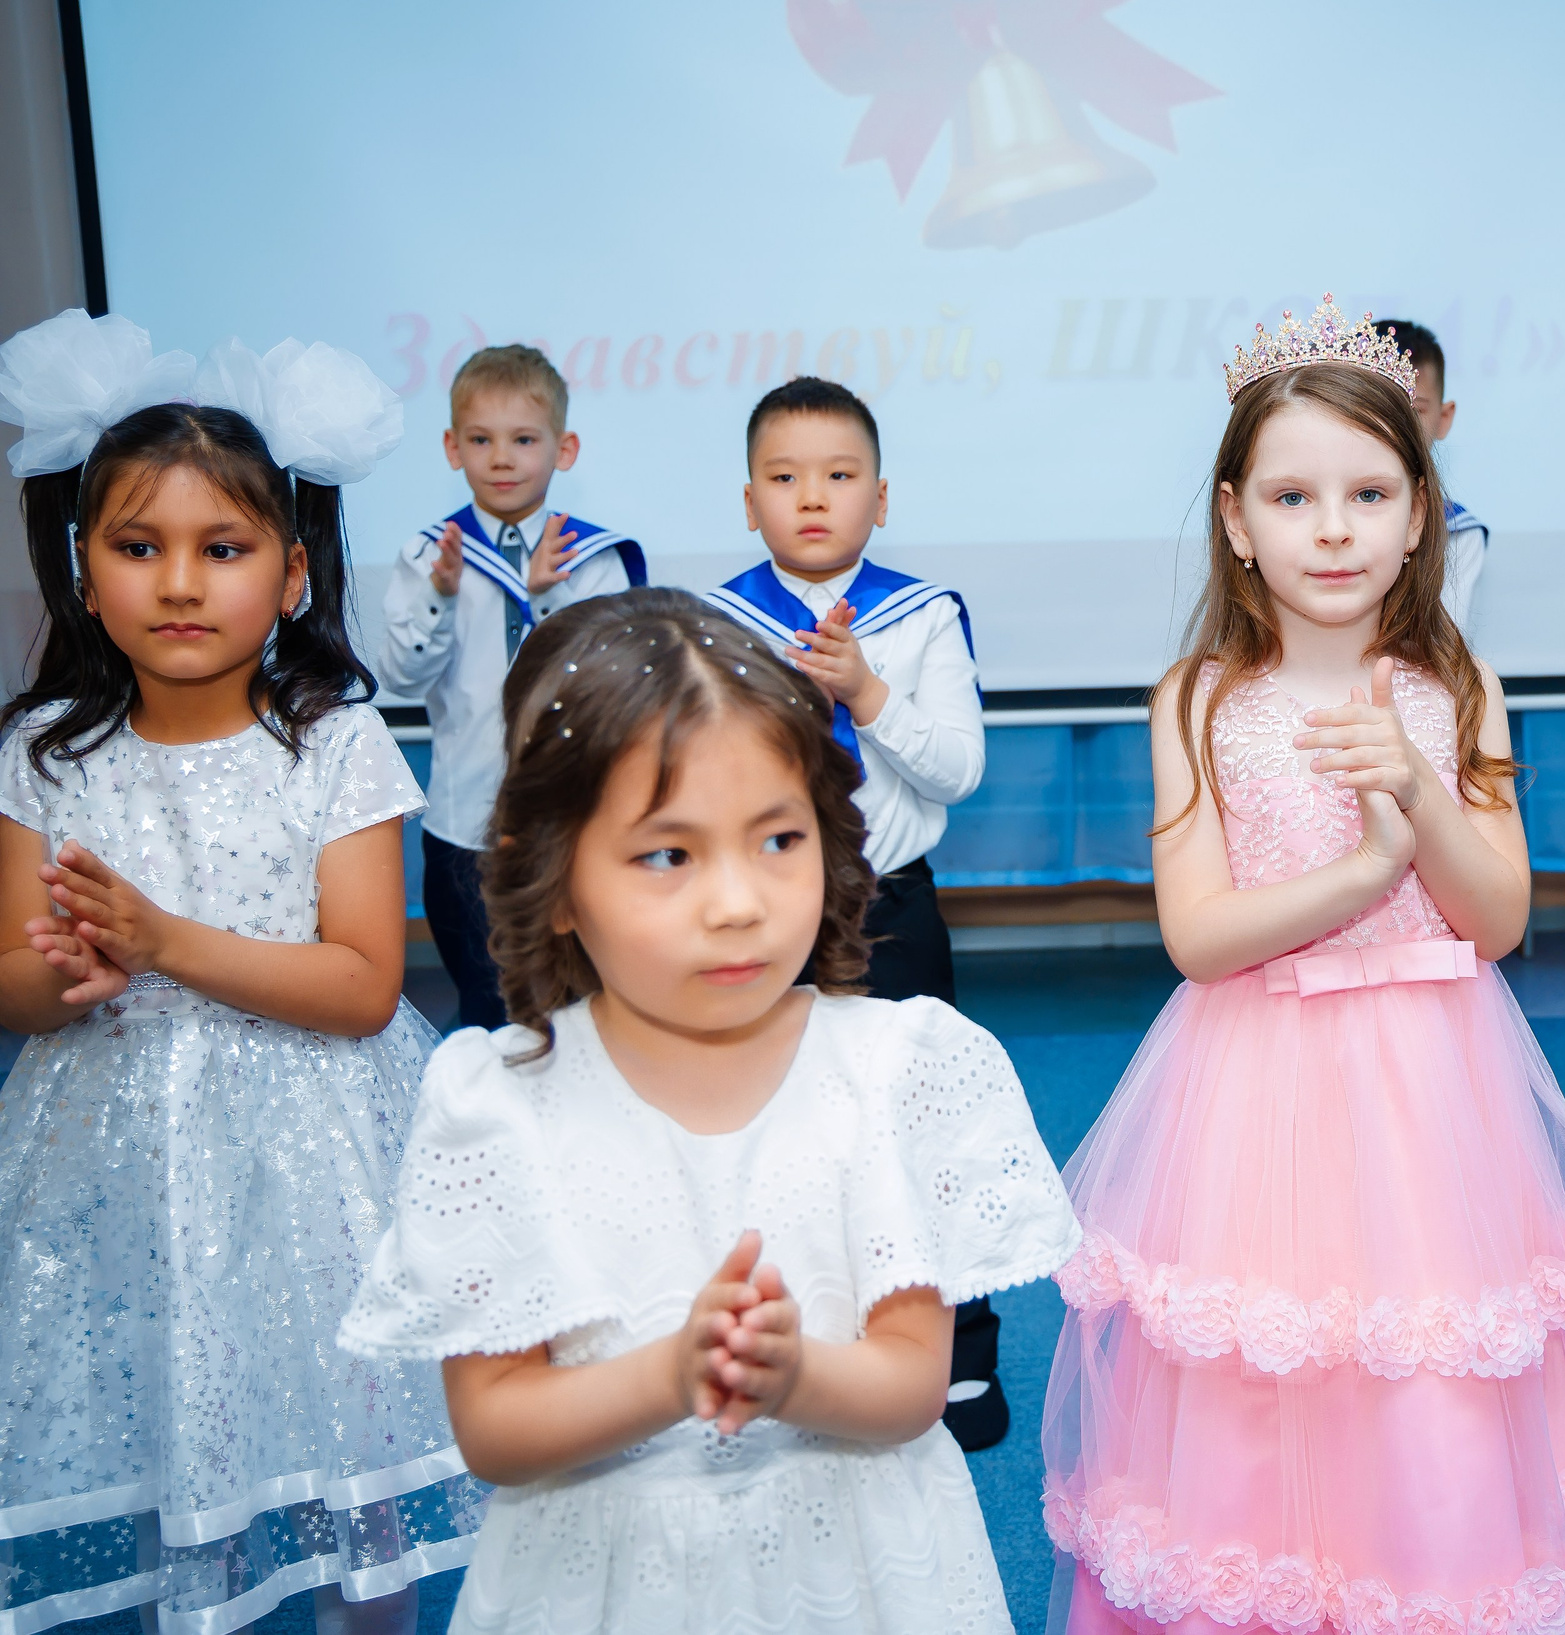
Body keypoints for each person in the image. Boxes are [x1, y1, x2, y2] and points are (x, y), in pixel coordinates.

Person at [1041, 296, 1565, 1633]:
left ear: (1420, 509)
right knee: (1266, 1374)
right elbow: (1199, 934)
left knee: (1430, 1372)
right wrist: (1358, 875)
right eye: (1293, 493)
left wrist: (1420, 799)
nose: (1332, 527)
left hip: (1436, 1089)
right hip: (1255, 1080)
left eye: (1370, 491)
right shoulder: (1198, 697)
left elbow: (1497, 918)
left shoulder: (1461, 686)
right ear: (1234, 517)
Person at [338, 587, 1078, 1634]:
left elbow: (913, 1386)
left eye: (778, 840)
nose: (738, 901)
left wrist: (793, 1374)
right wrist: (670, 1374)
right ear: (551, 878)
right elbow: (495, 1429)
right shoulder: (498, 1106)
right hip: (604, 1580)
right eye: (667, 855)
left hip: (861, 1570)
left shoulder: (894, 1070)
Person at [0, 313, 472, 1634]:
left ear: (294, 572)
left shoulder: (332, 742)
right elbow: (10, 985)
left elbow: (365, 982)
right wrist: (66, 977)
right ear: (83, 571)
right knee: (169, 1409)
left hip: (318, 1148)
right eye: (139, 547)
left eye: (224, 548)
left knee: (349, 1430)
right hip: (117, 1142)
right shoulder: (47, 750)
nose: (182, 581)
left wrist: (161, 941)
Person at [701, 375, 1005, 1448]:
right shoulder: (719, 623)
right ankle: (817, 1352)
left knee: (924, 1135)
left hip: (891, 910)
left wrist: (867, 695)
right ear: (749, 502)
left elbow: (959, 771)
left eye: (839, 476)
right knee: (782, 1135)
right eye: (785, 478)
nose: (813, 497)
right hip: (767, 920)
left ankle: (961, 1354)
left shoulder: (921, 618)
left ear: (883, 496)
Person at [377, 344, 643, 1031]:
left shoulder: (595, 558)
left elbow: (612, 689)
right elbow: (402, 677)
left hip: (573, 822)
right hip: (465, 826)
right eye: (481, 439)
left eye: (524, 439)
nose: (502, 457)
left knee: (583, 1007)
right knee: (487, 1010)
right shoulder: (432, 555)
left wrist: (547, 604)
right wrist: (439, 595)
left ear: (564, 448)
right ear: (451, 446)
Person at [1374, 318, 1488, 628]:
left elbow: (1447, 644)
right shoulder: (1324, 522)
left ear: (1443, 417)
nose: (1391, 426)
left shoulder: (1458, 532)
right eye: (1376, 408)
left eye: (1412, 411)